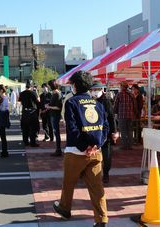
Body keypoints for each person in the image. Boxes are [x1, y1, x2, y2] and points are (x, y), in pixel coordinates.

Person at [53, 71, 109, 227]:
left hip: (76, 152)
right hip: (96, 152)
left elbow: (72, 128)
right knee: (97, 187)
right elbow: (105, 127)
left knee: (69, 183)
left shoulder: (71, 103)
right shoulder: (98, 104)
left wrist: (84, 147)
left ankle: (64, 208)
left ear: (74, 85)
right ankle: (101, 218)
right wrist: (96, 145)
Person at [91, 82, 118, 184]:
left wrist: (114, 131)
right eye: (93, 90)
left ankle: (106, 173)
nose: (95, 92)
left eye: (97, 89)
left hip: (105, 131)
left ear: (102, 90)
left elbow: (111, 117)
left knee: (107, 155)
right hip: (93, 131)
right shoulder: (89, 101)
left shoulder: (106, 102)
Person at [113, 81, 136, 150]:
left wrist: (114, 112)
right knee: (129, 131)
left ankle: (124, 145)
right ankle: (130, 145)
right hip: (130, 115)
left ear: (122, 87)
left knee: (123, 131)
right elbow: (135, 105)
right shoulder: (131, 94)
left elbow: (115, 105)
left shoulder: (119, 94)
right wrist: (134, 113)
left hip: (122, 115)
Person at [18, 81, 40, 147]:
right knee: (33, 128)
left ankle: (26, 142)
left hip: (24, 112)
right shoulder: (33, 93)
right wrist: (37, 93)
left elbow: (19, 101)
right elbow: (38, 101)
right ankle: (32, 142)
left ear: (26, 87)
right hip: (32, 112)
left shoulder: (21, 93)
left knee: (25, 128)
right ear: (31, 87)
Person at [46, 79, 63, 156]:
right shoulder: (55, 93)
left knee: (56, 132)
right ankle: (58, 149)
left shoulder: (57, 94)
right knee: (56, 132)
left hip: (55, 115)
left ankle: (58, 150)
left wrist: (49, 106)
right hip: (53, 115)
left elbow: (58, 107)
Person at [0, 84, 10, 158]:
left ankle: (5, 152)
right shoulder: (3, 97)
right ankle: (4, 151)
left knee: (3, 136)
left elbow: (3, 109)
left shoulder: (4, 98)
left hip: (2, 119)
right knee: (2, 136)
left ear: (1, 90)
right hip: (1, 119)